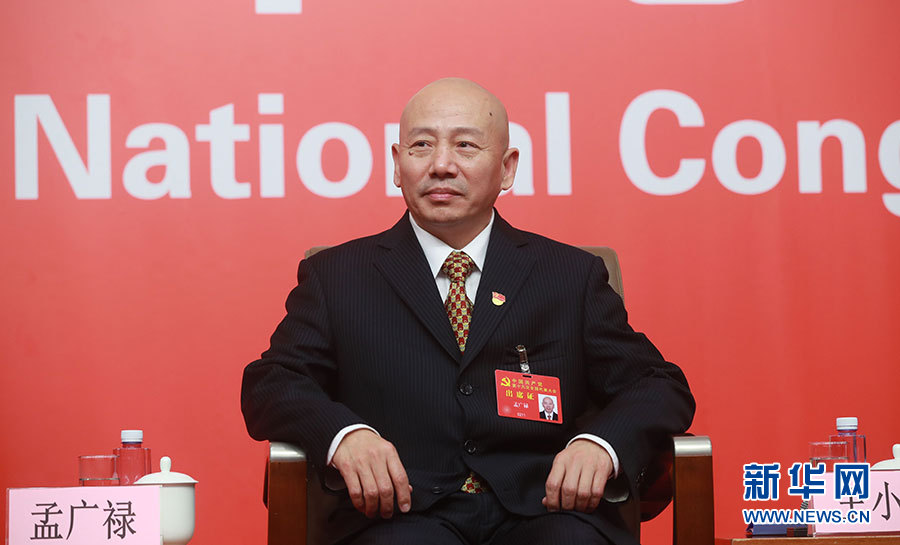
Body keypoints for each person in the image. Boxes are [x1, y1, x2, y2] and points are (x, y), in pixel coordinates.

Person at [241, 78, 694, 545]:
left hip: (544, 509)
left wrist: (601, 445)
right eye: (421, 145)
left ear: (507, 168)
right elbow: (271, 381)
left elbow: (658, 384)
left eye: (465, 146)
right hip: (399, 515)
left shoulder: (569, 275)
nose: (441, 165)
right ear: (397, 164)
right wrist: (345, 435)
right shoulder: (338, 275)